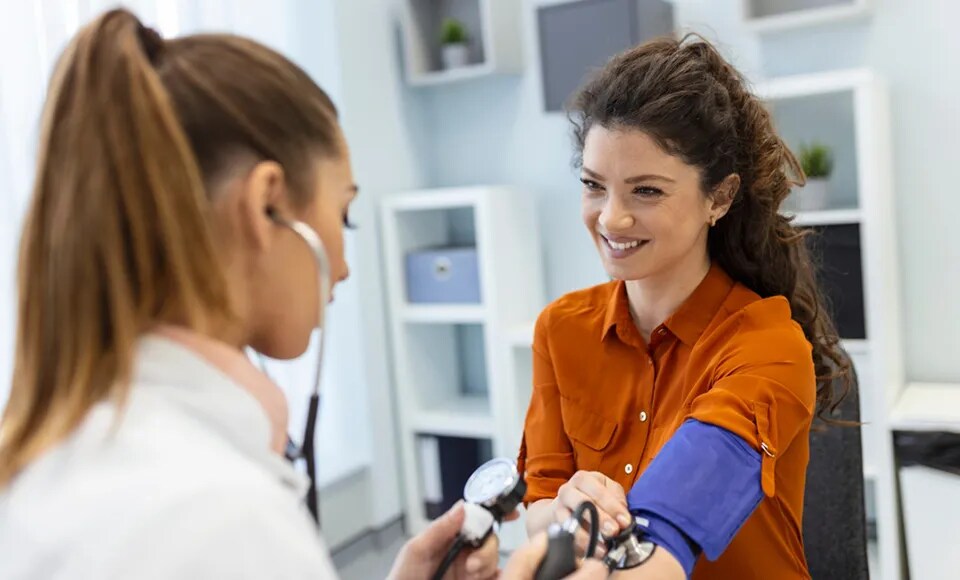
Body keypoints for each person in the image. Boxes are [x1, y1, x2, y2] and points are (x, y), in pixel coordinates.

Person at [0, 9, 606, 580]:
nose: (342, 267)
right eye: (343, 216)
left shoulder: (73, 447)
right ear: (266, 206)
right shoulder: (215, 512)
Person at [519, 36, 852, 579]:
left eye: (646, 191)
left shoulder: (768, 345)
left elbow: (671, 526)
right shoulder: (560, 330)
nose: (611, 219)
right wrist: (562, 512)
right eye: (593, 186)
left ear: (718, 198)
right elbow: (541, 499)